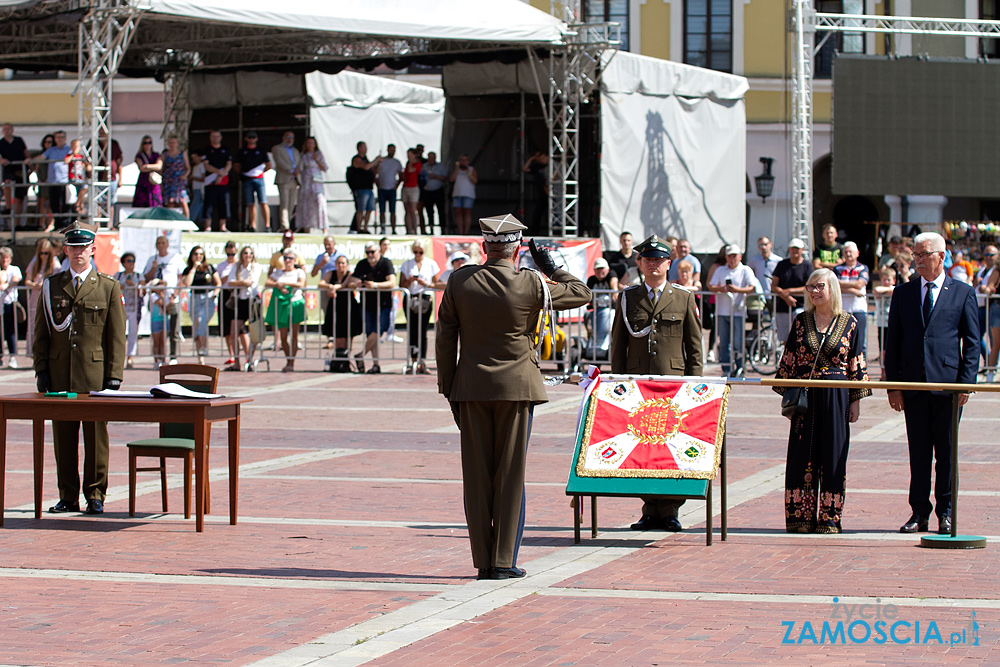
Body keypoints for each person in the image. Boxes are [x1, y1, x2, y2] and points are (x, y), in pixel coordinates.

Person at [436, 213, 590, 579]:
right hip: (517, 389)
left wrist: (449, 390)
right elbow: (581, 292)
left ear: (484, 245)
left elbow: (445, 338)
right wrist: (550, 265)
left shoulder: (459, 281)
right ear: (517, 247)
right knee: (509, 473)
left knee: (476, 477)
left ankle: (483, 562)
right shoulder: (531, 284)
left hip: (471, 389)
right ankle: (504, 560)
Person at [885, 231, 979, 535]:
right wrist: (894, 386)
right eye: (916, 255)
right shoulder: (904, 293)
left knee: (947, 453)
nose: (918, 260)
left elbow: (973, 343)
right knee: (919, 452)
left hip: (947, 387)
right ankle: (919, 513)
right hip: (913, 385)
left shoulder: (962, 292)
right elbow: (894, 342)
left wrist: (965, 384)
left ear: (942, 255)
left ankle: (946, 512)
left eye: (924, 254)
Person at [610, 235, 703, 532]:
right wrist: (618, 382)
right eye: (647, 259)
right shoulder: (628, 297)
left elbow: (694, 346)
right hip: (639, 384)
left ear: (669, 263)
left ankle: (671, 509)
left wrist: (695, 386)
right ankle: (649, 508)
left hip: (673, 383)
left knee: (670, 447)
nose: (653, 265)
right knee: (644, 446)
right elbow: (618, 343)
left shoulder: (684, 296)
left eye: (659, 260)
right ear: (639, 263)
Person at [33, 223, 126, 515]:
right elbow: (41, 333)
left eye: (83, 248)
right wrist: (41, 369)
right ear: (65, 250)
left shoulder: (108, 286)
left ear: (93, 250)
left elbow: (115, 335)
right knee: (63, 436)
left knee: (96, 437)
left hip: (94, 375)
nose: (78, 253)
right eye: (73, 247)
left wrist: (114, 374)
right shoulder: (52, 285)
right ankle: (67, 495)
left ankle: (95, 494)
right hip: (61, 372)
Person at [774, 268, 871, 533]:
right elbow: (789, 359)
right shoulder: (801, 321)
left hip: (837, 395)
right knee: (801, 455)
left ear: (832, 289)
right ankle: (800, 517)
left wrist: (855, 400)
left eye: (820, 287)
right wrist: (788, 395)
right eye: (810, 287)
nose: (815, 292)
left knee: (834, 454)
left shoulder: (850, 322)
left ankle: (829, 518)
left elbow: (855, 362)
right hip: (806, 396)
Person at [708, 244, 762, 376]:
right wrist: (721, 289)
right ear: (726, 257)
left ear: (740, 256)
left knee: (738, 341)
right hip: (722, 311)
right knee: (724, 341)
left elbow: (752, 287)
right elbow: (711, 285)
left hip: (738, 310)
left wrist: (737, 290)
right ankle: (726, 368)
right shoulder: (720, 270)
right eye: (730, 256)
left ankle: (740, 366)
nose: (732, 259)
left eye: (734, 256)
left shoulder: (745, 270)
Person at [353, 240, 396, 374]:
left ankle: (361, 355)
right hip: (367, 304)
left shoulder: (386, 263)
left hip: (383, 304)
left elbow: (392, 282)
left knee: (379, 330)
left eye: (372, 252)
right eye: (367, 252)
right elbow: (352, 280)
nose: (370, 255)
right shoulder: (362, 264)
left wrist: (376, 285)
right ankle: (376, 364)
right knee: (371, 333)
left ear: (378, 251)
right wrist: (358, 283)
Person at [143, 235, 185, 367]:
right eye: (158, 243)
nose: (161, 245)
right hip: (157, 299)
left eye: (163, 243)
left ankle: (173, 356)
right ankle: (158, 358)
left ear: (167, 245)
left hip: (172, 298)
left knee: (173, 329)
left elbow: (181, 278)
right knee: (158, 330)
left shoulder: (175, 258)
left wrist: (175, 295)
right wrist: (153, 268)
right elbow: (147, 277)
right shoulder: (152, 259)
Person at [399, 240, 440, 374]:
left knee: (423, 330)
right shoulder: (407, 264)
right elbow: (401, 284)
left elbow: (436, 284)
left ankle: (422, 361)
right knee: (412, 329)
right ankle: (412, 360)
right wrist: (410, 281)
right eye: (415, 252)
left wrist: (425, 283)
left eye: (420, 252)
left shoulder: (431, 264)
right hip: (411, 297)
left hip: (425, 297)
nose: (417, 254)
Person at [265, 249, 307, 372]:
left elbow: (301, 284)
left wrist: (285, 283)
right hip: (282, 305)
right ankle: (288, 359)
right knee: (283, 336)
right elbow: (268, 282)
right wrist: (278, 285)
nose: (287, 261)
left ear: (295, 260)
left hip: (295, 303)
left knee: (294, 335)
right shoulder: (279, 272)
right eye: (285, 258)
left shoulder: (299, 272)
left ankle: (291, 362)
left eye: (290, 258)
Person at [319, 255, 362, 372]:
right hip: (335, 307)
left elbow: (348, 284)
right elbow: (321, 283)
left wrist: (337, 287)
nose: (341, 265)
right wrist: (331, 286)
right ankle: (338, 361)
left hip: (349, 306)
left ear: (347, 264)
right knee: (338, 336)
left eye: (343, 263)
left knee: (349, 335)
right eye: (338, 263)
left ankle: (345, 361)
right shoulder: (331, 274)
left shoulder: (350, 274)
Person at [226, 246, 264, 372]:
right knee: (234, 332)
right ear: (242, 254)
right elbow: (230, 282)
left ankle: (250, 359)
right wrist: (242, 282)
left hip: (252, 301)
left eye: (251, 253)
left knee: (254, 332)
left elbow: (251, 282)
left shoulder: (256, 267)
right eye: (246, 253)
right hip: (239, 300)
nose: (248, 255)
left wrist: (238, 282)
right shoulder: (237, 266)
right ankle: (237, 362)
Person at [182, 246, 220, 365]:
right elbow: (187, 283)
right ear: (192, 255)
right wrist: (194, 268)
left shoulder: (209, 268)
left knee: (201, 321)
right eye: (196, 254)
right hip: (194, 298)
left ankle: (203, 348)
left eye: (201, 254)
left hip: (207, 298)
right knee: (197, 324)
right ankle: (201, 354)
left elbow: (218, 282)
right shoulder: (188, 269)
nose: (198, 256)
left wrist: (215, 294)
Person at [23, 238, 62, 357]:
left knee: (47, 326)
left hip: (48, 300)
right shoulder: (35, 262)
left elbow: (57, 282)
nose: (43, 256)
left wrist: (44, 285)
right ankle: (34, 353)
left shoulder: (55, 264)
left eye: (45, 253)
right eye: (41, 253)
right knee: (34, 325)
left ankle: (47, 353)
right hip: (35, 299)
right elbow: (27, 281)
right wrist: (34, 285)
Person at [770, 238, 811, 345]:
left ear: (802, 250)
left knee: (800, 335)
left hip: (801, 305)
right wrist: (785, 296)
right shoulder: (782, 264)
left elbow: (808, 287)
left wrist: (789, 291)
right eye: (792, 248)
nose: (795, 251)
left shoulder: (807, 266)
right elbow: (774, 285)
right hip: (782, 306)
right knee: (785, 338)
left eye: (797, 249)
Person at [833, 241, 870, 355]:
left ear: (857, 253)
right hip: (842, 309)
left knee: (860, 342)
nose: (848, 254)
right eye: (846, 252)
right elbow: (834, 286)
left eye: (851, 252)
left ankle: (862, 370)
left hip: (859, 309)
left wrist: (842, 285)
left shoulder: (863, 268)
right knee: (841, 342)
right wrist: (853, 291)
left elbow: (859, 284)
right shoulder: (837, 268)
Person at [234, 131, 270, 232]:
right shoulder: (242, 151)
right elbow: (236, 166)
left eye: (253, 137)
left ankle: (267, 226)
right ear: (246, 139)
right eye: (249, 137)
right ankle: (252, 226)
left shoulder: (261, 150)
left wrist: (260, 172)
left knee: (263, 202)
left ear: (257, 139)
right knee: (250, 203)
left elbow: (268, 165)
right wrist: (242, 173)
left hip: (259, 179)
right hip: (247, 179)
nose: (252, 139)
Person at [113, 252, 143, 369]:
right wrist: (119, 286)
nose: (131, 264)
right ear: (124, 263)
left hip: (134, 308)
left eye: (133, 261)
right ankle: (119, 356)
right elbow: (112, 287)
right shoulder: (118, 276)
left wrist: (135, 285)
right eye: (128, 261)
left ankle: (130, 356)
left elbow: (144, 290)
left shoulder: (138, 276)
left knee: (132, 333)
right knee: (119, 333)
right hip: (121, 308)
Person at [584, 257, 618, 355]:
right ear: (594, 270)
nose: (600, 271)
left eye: (602, 268)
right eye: (598, 269)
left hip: (610, 310)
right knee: (586, 316)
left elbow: (614, 283)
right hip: (596, 311)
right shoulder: (591, 280)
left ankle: (611, 343)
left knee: (612, 322)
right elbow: (587, 294)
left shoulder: (611, 275)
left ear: (607, 269)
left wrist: (614, 292)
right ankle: (591, 339)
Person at [974, 245, 998, 381]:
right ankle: (989, 364)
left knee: (995, 341)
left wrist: (987, 289)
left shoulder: (996, 270)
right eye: (986, 255)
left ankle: (991, 366)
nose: (988, 258)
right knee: (977, 337)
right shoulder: (982, 270)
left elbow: (989, 289)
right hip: (980, 307)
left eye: (991, 255)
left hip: (991, 307)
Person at [201, 130, 232, 232]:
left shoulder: (225, 149)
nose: (215, 138)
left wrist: (222, 174)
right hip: (211, 181)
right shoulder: (206, 149)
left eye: (217, 136)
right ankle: (207, 226)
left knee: (223, 203)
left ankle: (223, 226)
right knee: (209, 203)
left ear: (221, 137)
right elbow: (206, 165)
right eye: (213, 136)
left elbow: (229, 164)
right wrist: (217, 171)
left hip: (223, 180)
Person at [296, 137, 328, 233]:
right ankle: (307, 228)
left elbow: (325, 168)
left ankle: (324, 228)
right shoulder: (303, 155)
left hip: (316, 182)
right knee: (306, 204)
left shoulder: (318, 154)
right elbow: (300, 168)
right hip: (306, 182)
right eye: (308, 143)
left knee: (320, 202)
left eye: (312, 143)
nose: (310, 145)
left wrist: (316, 160)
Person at [271, 131, 301, 232]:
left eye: (291, 137)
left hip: (294, 180)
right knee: (284, 203)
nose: (289, 139)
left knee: (291, 205)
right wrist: (291, 170)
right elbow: (279, 161)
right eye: (287, 137)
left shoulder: (296, 151)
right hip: (284, 179)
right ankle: (285, 227)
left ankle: (287, 224)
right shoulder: (277, 148)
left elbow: (300, 163)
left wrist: (298, 171)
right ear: (283, 137)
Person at [0, 123, 29, 226]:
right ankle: (8, 207)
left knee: (19, 199)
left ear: (12, 130)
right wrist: (1, 160)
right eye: (5, 129)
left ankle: (16, 225)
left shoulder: (18, 140)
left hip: (20, 170)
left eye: (9, 128)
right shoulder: (1, 142)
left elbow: (26, 153)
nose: (7, 131)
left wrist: (28, 163)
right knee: (7, 184)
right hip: (8, 169)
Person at [349, 141, 380, 234]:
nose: (365, 149)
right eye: (364, 147)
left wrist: (379, 164)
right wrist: (376, 160)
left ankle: (365, 228)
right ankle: (359, 228)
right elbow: (366, 167)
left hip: (369, 187)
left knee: (369, 209)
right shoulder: (356, 159)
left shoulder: (366, 159)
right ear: (359, 148)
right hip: (361, 188)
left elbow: (373, 171)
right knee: (360, 209)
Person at [216, 240, 239, 365]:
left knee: (238, 326)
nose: (231, 257)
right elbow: (219, 281)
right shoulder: (221, 266)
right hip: (225, 295)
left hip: (236, 295)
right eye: (229, 254)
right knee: (226, 326)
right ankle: (231, 354)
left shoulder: (239, 265)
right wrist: (229, 276)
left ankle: (239, 354)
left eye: (233, 254)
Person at [43, 130, 72, 222]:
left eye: (62, 137)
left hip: (64, 181)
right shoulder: (51, 150)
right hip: (52, 181)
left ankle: (65, 223)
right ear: (55, 139)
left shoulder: (69, 150)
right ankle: (57, 223)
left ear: (65, 138)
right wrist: (28, 160)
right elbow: (42, 157)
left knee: (65, 204)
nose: (60, 139)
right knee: (54, 204)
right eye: (58, 137)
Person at [0, 247, 22, 367]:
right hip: (0, 305)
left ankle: (12, 356)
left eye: (6, 258)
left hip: (9, 303)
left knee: (10, 331)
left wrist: (6, 285)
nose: (4, 261)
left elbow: (16, 280)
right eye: (2, 258)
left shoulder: (14, 269)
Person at [161, 134, 190, 219]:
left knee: (183, 202)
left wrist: (185, 175)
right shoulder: (165, 154)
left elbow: (188, 168)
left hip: (179, 181)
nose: (172, 144)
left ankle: (187, 224)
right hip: (169, 181)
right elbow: (161, 167)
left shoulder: (182, 153)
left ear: (177, 143)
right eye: (171, 143)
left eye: (174, 142)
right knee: (170, 203)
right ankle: (170, 223)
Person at [376, 144, 403, 234]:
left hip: (392, 190)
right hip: (382, 189)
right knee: (382, 210)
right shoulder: (381, 161)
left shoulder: (397, 162)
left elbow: (401, 176)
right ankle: (383, 228)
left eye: (393, 150)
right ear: (388, 150)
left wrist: (396, 185)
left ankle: (393, 229)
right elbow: (373, 173)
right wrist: (377, 184)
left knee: (392, 211)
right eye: (391, 150)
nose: (392, 152)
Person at [421, 151, 449, 234]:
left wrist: (435, 176)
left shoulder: (441, 166)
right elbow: (420, 177)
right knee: (429, 211)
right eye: (430, 158)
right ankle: (431, 228)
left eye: (432, 158)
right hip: (427, 191)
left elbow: (445, 178)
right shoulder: (424, 166)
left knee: (441, 210)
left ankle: (442, 229)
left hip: (438, 190)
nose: (431, 159)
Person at [32, 134, 55, 231]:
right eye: (46, 142)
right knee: (42, 203)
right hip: (42, 182)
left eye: (50, 142)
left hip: (52, 181)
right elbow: (36, 167)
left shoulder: (54, 153)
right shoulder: (41, 154)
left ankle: (50, 223)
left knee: (51, 204)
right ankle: (41, 223)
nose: (48, 144)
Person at [450, 154, 477, 235]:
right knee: (458, 213)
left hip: (468, 194)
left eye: (465, 160)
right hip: (457, 194)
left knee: (467, 213)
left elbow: (474, 181)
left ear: (468, 161)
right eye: (461, 160)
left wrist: (468, 171)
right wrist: (456, 169)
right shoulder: (457, 170)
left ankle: (466, 232)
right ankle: (460, 232)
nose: (463, 162)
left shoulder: (472, 169)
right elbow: (451, 179)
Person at [133, 135, 163, 208]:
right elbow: (141, 168)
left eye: (149, 143)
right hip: (144, 182)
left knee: (155, 201)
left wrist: (147, 166)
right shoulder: (140, 155)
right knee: (142, 202)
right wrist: (153, 167)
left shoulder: (156, 155)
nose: (147, 145)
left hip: (153, 182)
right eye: (145, 143)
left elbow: (159, 166)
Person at [873, 267, 896, 359]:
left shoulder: (895, 289)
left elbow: (894, 291)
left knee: (893, 347)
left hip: (892, 322)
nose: (886, 281)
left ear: (893, 280)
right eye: (884, 279)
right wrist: (887, 290)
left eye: (888, 279)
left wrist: (887, 290)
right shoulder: (879, 288)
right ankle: (883, 371)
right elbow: (876, 290)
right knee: (882, 349)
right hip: (882, 323)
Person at [64, 139, 90, 215]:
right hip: (71, 177)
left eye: (77, 146)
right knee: (84, 188)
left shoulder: (81, 156)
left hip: (79, 178)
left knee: (83, 190)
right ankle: (77, 204)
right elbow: (66, 161)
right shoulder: (69, 155)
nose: (76, 148)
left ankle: (79, 206)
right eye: (74, 146)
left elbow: (87, 163)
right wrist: (73, 155)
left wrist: (87, 166)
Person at [401, 148, 422, 235]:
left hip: (413, 188)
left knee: (413, 209)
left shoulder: (418, 163)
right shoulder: (407, 163)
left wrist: (411, 161)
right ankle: (409, 229)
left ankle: (415, 229)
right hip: (406, 187)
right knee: (407, 210)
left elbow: (411, 170)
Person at [188, 152, 206, 223]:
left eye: (195, 157)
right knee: (198, 205)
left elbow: (203, 178)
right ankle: (200, 221)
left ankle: (191, 220)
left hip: (200, 188)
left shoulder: (201, 166)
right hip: (194, 188)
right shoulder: (195, 167)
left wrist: (193, 178)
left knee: (196, 204)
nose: (194, 159)